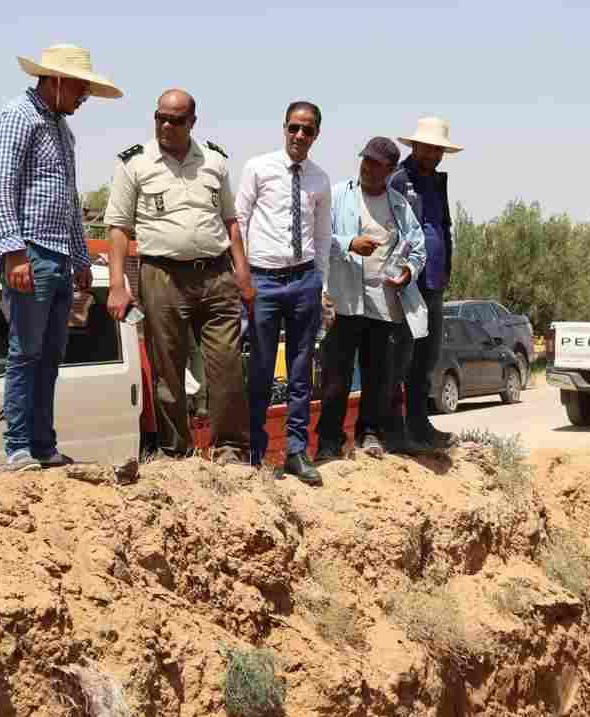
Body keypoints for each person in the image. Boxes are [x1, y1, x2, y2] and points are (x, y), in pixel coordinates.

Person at [0, 43, 122, 471]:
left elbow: (69, 199)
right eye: (81, 88)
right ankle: (18, 447)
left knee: (50, 354)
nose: (84, 97)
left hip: (59, 256)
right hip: (30, 251)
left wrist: (81, 257)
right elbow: (1, 185)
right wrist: (13, 251)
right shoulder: (18, 117)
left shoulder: (63, 131)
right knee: (26, 351)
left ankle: (43, 445)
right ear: (58, 80)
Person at [104, 89, 251, 463]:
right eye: (161, 118)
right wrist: (117, 285)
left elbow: (230, 220)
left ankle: (230, 448)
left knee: (227, 363)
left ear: (193, 123)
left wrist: (242, 270)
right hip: (162, 276)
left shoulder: (215, 161)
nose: (167, 126)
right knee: (167, 368)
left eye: (176, 120)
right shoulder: (134, 163)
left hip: (216, 275)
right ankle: (175, 451)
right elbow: (118, 227)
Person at [315, 137, 429, 461]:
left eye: (376, 163)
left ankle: (369, 435)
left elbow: (418, 247)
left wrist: (407, 272)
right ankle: (328, 443)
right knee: (335, 379)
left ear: (390, 170)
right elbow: (318, 237)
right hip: (342, 300)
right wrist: (349, 242)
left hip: (383, 305)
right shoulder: (337, 196)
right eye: (365, 160)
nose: (367, 166)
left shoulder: (399, 205)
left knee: (377, 376)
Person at [236, 101, 332, 484]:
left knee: (299, 370)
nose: (299, 136)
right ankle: (256, 454)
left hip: (304, 281)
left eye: (307, 130)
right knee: (259, 368)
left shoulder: (320, 179)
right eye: (294, 128)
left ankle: (295, 451)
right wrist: (241, 276)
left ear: (316, 134)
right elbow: (239, 221)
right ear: (284, 128)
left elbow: (323, 235)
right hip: (264, 281)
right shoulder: (258, 168)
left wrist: (320, 282)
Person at [388, 117, 463, 451]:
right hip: (406, 283)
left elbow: (442, 227)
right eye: (428, 147)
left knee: (426, 358)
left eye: (438, 149)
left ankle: (420, 424)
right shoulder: (398, 179)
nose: (433, 153)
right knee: (401, 357)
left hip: (434, 282)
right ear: (415, 146)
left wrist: (447, 265)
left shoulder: (438, 182)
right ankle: (396, 429)